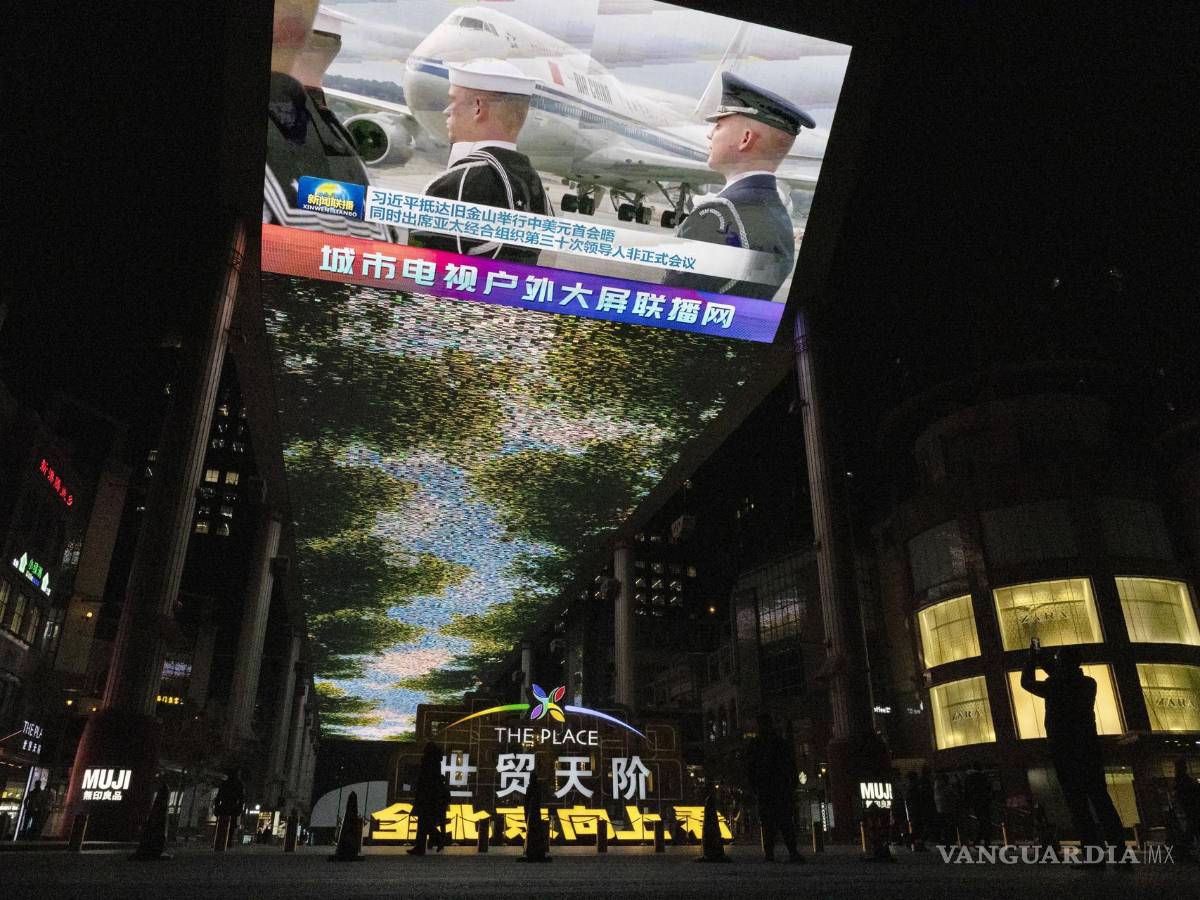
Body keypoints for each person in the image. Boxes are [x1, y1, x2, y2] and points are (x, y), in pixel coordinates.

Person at [663, 72, 816, 300]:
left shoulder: (717, 216)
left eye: (719, 125)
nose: (709, 134)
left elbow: (673, 301)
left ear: (745, 139)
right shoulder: (778, 218)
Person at [408, 59, 550, 263]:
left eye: (453, 100)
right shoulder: (534, 187)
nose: (447, 111)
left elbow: (420, 275)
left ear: (478, 108)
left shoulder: (454, 185)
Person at [1021, 642, 1126, 865]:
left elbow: (1027, 682)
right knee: (1101, 801)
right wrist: (1045, 660)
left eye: (1059, 660)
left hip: (1064, 750)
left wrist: (1031, 659)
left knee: (1078, 805)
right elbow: (1063, 676)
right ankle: (1120, 853)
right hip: (1088, 749)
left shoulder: (1055, 684)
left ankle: (1093, 855)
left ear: (1063, 663)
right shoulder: (1088, 683)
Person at [745, 713, 803, 862]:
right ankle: (789, 852)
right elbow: (790, 764)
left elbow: (750, 768)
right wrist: (792, 782)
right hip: (778, 787)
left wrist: (754, 786)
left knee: (770, 823)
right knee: (784, 822)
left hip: (768, 788)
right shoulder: (778, 743)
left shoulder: (758, 745)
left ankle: (772, 853)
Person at [410, 741, 449, 855]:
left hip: (426, 797)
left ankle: (426, 844)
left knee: (424, 822)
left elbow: (425, 779)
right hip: (432, 798)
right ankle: (424, 845)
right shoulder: (436, 762)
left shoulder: (428, 762)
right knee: (425, 822)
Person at [1173, 759, 1200, 861]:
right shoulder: (1185, 780)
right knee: (1191, 831)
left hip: (1188, 810)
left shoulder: (1180, 780)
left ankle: (1184, 851)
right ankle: (1184, 851)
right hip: (1191, 810)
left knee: (1190, 831)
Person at [962, 762, 992, 847]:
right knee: (985, 821)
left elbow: (966, 791)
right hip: (984, 801)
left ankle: (978, 840)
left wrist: (967, 803)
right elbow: (989, 788)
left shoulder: (968, 777)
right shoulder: (983, 776)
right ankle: (985, 841)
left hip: (974, 802)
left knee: (981, 821)